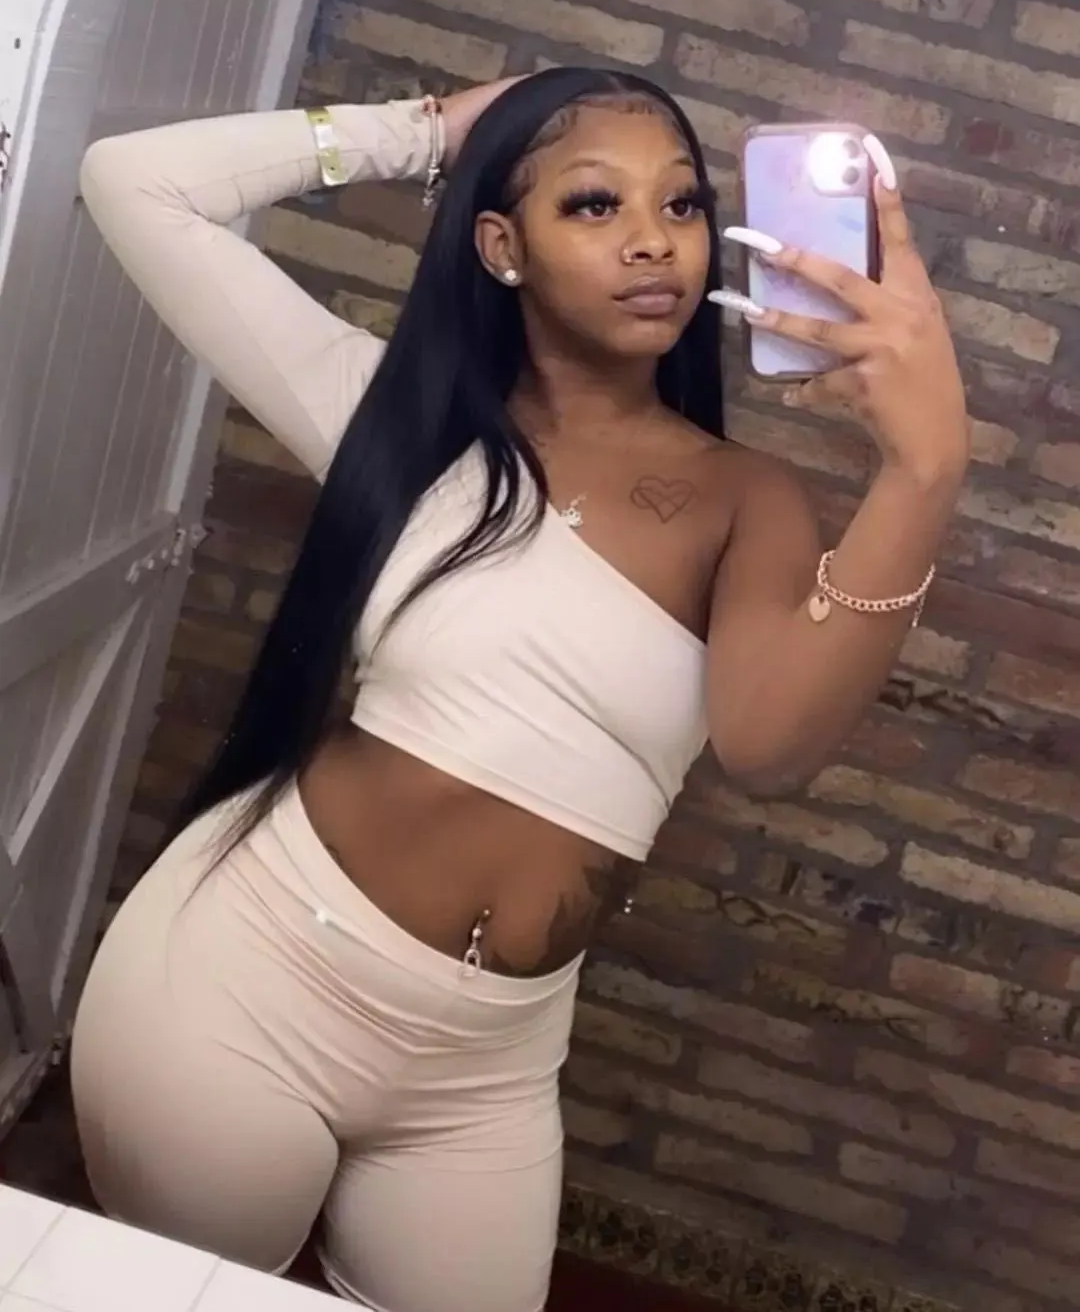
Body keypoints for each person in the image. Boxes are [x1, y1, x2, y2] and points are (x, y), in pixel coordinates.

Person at [69, 67, 969, 1312]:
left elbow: (769, 746)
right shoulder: (396, 423)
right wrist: (427, 129)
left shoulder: (745, 499)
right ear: (501, 245)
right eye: (596, 204)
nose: (654, 239)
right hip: (248, 984)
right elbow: (132, 183)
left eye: (682, 204)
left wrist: (924, 470)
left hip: (485, 1067)